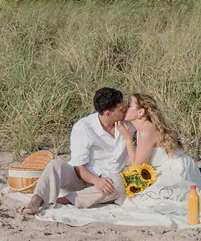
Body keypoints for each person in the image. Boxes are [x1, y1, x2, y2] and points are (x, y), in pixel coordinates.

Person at [20, 87, 128, 216]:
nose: (125, 109)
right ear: (108, 113)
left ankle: (64, 200)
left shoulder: (127, 124)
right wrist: (96, 181)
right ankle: (36, 201)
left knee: (119, 182)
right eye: (121, 109)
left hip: (109, 183)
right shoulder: (84, 127)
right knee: (55, 164)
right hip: (82, 180)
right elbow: (78, 166)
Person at [115, 92, 201, 215]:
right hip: (181, 167)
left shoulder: (146, 131)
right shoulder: (144, 128)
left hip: (177, 172)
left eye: (129, 104)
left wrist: (127, 139)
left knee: (141, 201)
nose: (125, 107)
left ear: (140, 112)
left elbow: (136, 168)